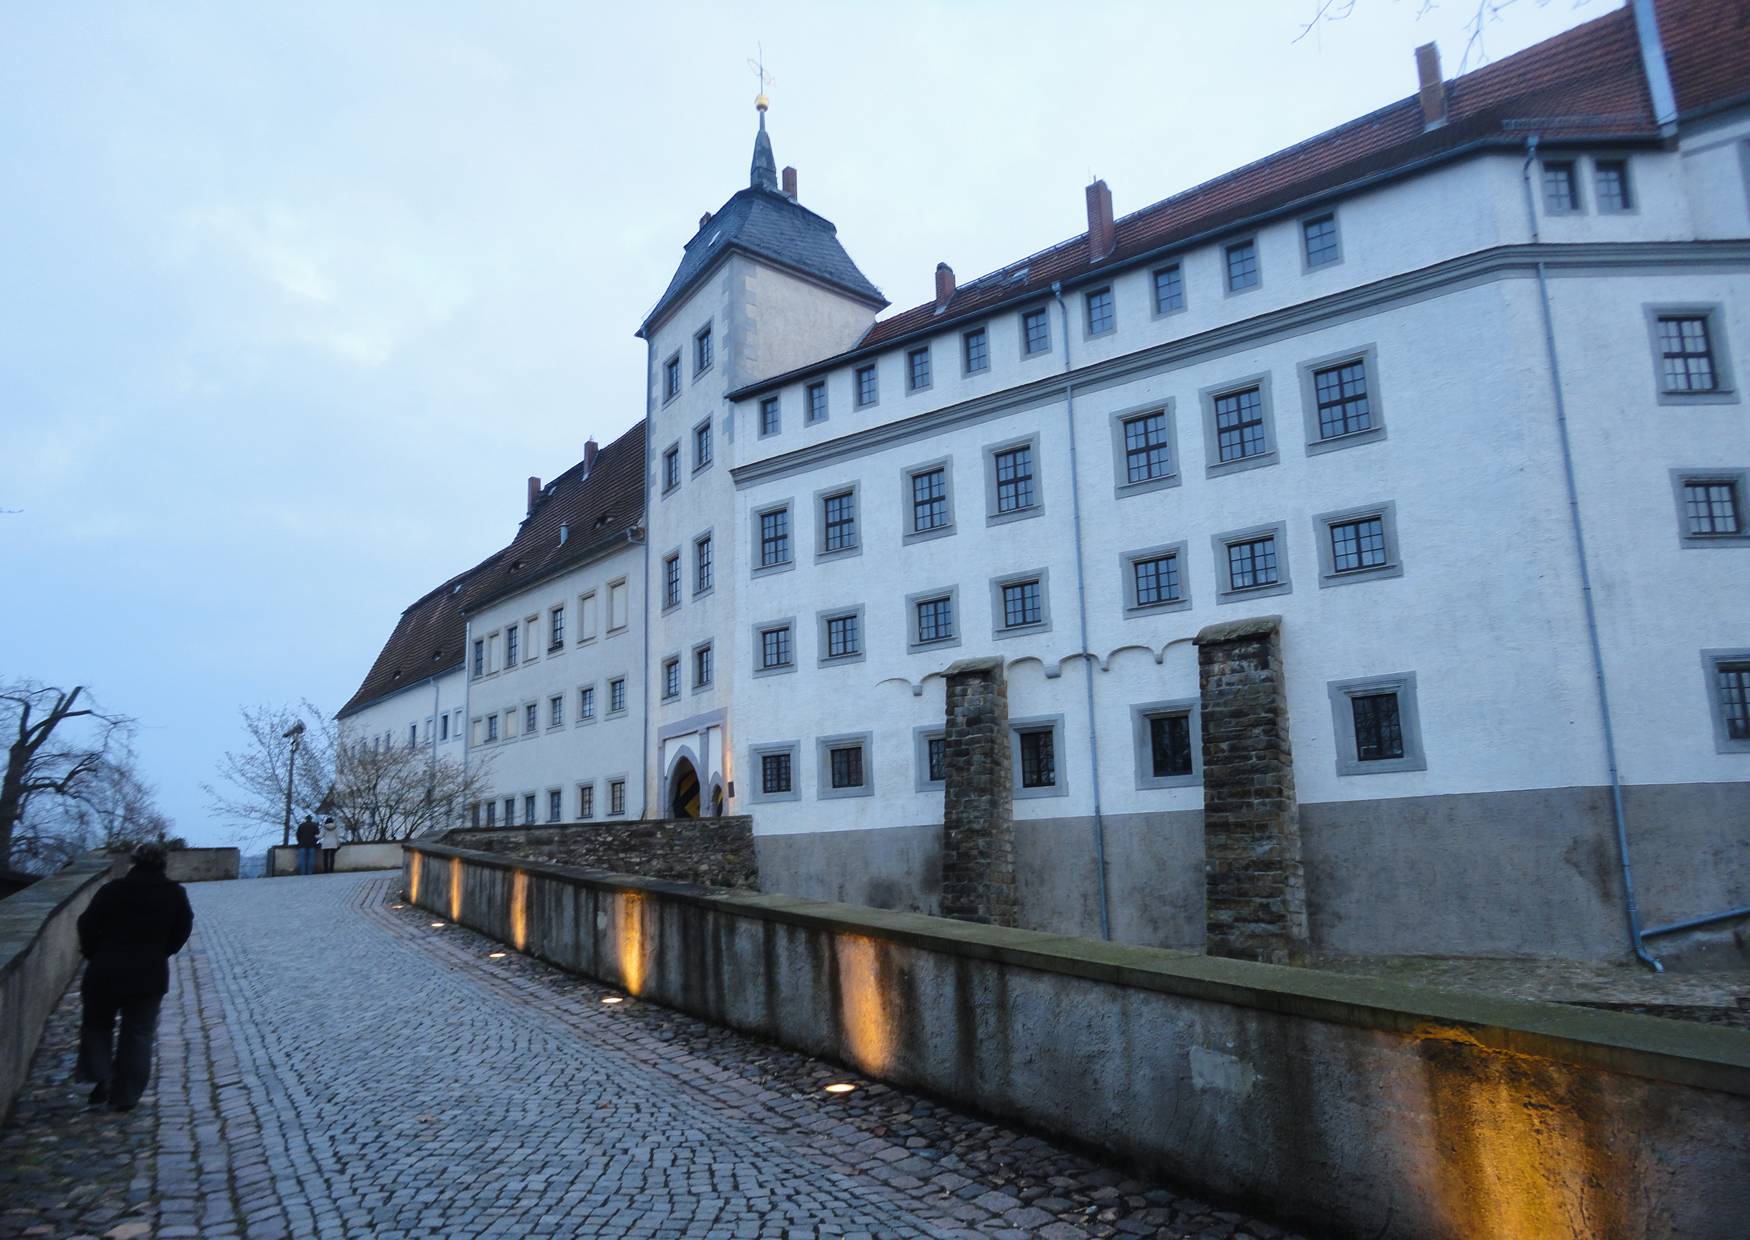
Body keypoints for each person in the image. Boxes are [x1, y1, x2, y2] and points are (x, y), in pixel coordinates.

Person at [74, 842, 194, 1112]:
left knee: (97, 1026)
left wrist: (93, 952)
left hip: (105, 970)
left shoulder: (113, 890)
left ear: (134, 862)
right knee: (138, 1034)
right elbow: (182, 929)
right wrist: (161, 951)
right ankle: (126, 1096)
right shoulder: (174, 893)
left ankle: (100, 1077)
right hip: (149, 974)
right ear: (164, 862)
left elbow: (87, 924)